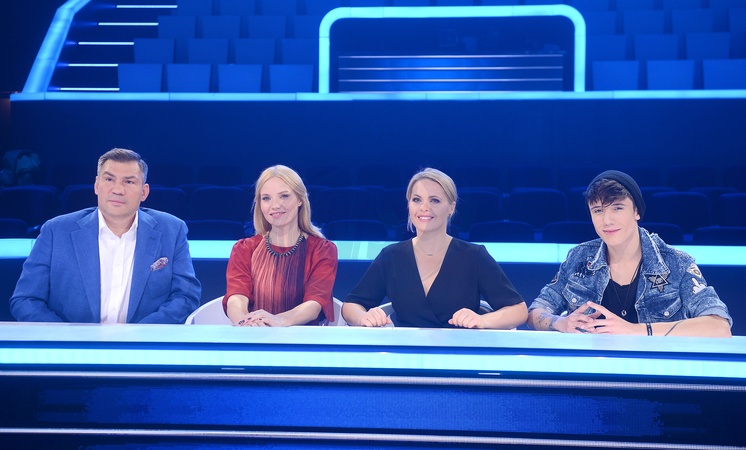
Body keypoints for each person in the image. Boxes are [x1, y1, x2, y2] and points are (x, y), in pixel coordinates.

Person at [528, 170, 732, 337]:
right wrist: (560, 323)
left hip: (657, 370)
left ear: (637, 212)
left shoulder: (676, 263)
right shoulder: (578, 258)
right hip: (591, 368)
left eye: (617, 208)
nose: (607, 220)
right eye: (598, 210)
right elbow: (535, 312)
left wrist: (636, 330)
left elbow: (719, 327)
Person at [10, 148, 201, 323]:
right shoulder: (56, 231)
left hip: (143, 344)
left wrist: (140, 336)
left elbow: (186, 296)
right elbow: (26, 300)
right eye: (109, 179)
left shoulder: (172, 230)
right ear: (96, 185)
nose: (117, 190)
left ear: (144, 192)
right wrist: (67, 338)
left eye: (129, 182)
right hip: (71, 346)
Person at [342, 168, 527, 328]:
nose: (424, 207)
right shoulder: (391, 256)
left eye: (435, 200)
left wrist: (482, 320)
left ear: (451, 208)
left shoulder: (473, 256)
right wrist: (363, 317)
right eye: (416, 200)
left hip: (459, 351)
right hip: (406, 352)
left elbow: (518, 310)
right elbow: (351, 305)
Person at [223, 165, 337, 326]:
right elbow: (236, 298)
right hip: (254, 334)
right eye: (266, 198)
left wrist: (279, 321)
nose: (275, 205)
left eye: (284, 196)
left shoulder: (322, 250)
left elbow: (314, 304)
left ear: (300, 199)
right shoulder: (244, 249)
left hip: (303, 338)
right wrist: (244, 322)